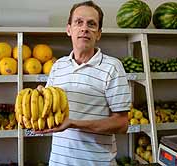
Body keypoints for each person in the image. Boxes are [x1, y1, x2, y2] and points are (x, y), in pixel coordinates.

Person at [37, 1, 131, 165]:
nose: (84, 28)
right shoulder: (58, 66)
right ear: (69, 29)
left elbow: (122, 124)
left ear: (99, 33)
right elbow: (49, 111)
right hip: (58, 162)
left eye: (91, 24)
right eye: (78, 22)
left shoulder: (112, 67)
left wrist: (73, 123)